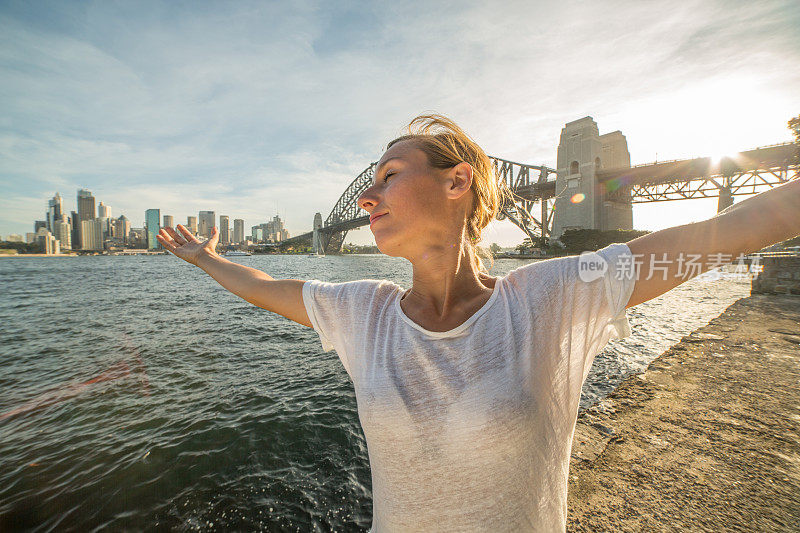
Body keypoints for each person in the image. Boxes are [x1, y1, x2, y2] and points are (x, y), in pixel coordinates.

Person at [156, 114, 800, 532]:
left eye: (387, 177)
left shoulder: (547, 299)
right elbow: (264, 285)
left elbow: (728, 231)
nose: (365, 198)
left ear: (458, 181)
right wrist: (207, 257)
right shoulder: (365, 313)